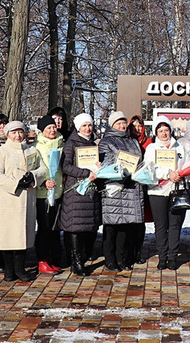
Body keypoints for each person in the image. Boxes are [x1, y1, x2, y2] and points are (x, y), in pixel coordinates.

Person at [0, 121, 49, 282]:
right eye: (14, 133)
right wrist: (15, 184)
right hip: (9, 198)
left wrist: (34, 176)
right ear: (7, 134)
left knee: (23, 234)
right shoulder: (2, 151)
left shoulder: (32, 150)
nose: (18, 136)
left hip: (27, 198)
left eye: (20, 132)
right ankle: (9, 270)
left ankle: (20, 268)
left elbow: (43, 169)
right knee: (8, 236)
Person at [144, 116, 190, 270]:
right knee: (160, 225)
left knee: (175, 225)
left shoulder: (179, 147)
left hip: (176, 191)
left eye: (166, 130)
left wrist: (181, 174)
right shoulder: (151, 148)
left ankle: (172, 257)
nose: (164, 133)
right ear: (156, 133)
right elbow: (149, 168)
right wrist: (167, 174)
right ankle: (162, 256)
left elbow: (187, 165)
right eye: (160, 131)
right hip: (157, 192)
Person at [99, 111, 145, 271]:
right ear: (112, 125)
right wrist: (122, 173)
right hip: (114, 188)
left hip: (131, 187)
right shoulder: (106, 141)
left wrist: (140, 172)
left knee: (125, 225)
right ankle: (110, 259)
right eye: (118, 123)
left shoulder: (133, 141)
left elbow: (139, 160)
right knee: (112, 226)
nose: (122, 125)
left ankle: (121, 258)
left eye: (124, 123)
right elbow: (106, 162)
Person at [61, 113, 102, 276]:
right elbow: (66, 166)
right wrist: (86, 173)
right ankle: (76, 262)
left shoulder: (93, 143)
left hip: (90, 190)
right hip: (76, 191)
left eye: (89, 125)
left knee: (87, 226)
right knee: (76, 227)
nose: (87, 128)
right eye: (84, 126)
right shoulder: (71, 143)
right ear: (78, 127)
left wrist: (98, 167)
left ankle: (82, 257)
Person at [34, 115, 65, 274]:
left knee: (54, 229)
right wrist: (43, 182)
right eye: (48, 128)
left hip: (59, 192)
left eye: (54, 127)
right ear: (42, 131)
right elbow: (33, 169)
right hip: (43, 194)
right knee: (44, 229)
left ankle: (53, 258)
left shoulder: (61, 143)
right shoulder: (36, 147)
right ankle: (42, 260)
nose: (53, 130)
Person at [128, 114, 150, 265]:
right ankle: (128, 251)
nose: (137, 129)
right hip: (129, 184)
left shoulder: (149, 143)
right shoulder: (126, 142)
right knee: (130, 220)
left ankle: (138, 251)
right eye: (134, 126)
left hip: (144, 185)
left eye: (139, 126)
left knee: (141, 219)